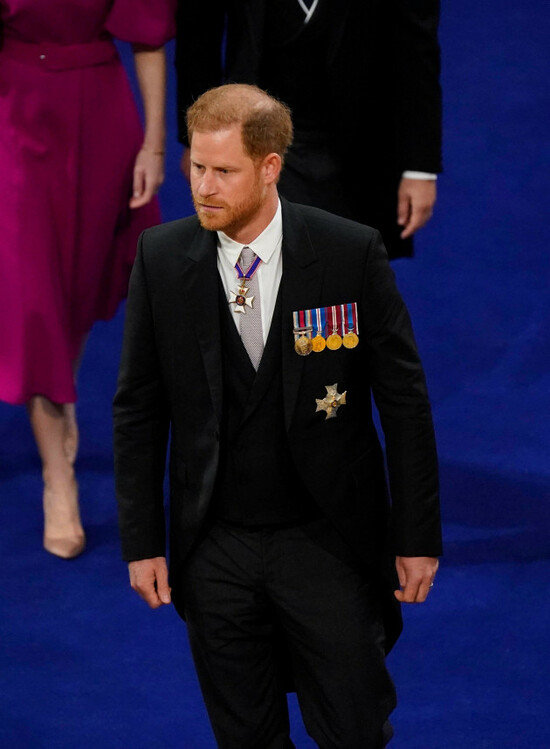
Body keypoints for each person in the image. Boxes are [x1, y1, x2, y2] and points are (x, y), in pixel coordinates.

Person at [114, 84, 442, 748]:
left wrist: (417, 534)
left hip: (326, 539)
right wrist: (143, 540)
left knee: (353, 729)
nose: (204, 186)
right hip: (216, 546)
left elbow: (404, 402)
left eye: (224, 171)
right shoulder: (160, 259)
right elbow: (138, 410)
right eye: (197, 167)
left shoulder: (349, 253)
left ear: (270, 167)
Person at [0, 0, 175, 558]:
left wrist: (152, 142)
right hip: (14, 114)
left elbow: (148, 37)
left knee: (76, 285)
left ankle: (58, 393)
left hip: (99, 113)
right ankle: (59, 481)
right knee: (33, 297)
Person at [175, 0, 442, 260]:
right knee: (255, 274)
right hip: (254, 140)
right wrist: (197, 138)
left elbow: (416, 49)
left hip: (360, 148)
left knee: (348, 277)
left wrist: (419, 168)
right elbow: (197, 36)